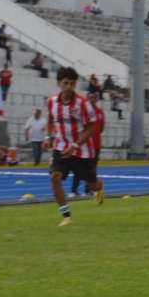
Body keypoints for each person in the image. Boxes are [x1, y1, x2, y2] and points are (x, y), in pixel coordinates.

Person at [46, 66, 105, 226]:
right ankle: (66, 216)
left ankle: (99, 188)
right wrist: (47, 136)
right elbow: (50, 119)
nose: (69, 87)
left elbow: (92, 127)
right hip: (61, 147)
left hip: (82, 151)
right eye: (66, 83)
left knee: (92, 184)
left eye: (72, 83)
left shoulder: (83, 104)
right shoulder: (51, 101)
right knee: (55, 177)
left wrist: (75, 144)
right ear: (59, 83)